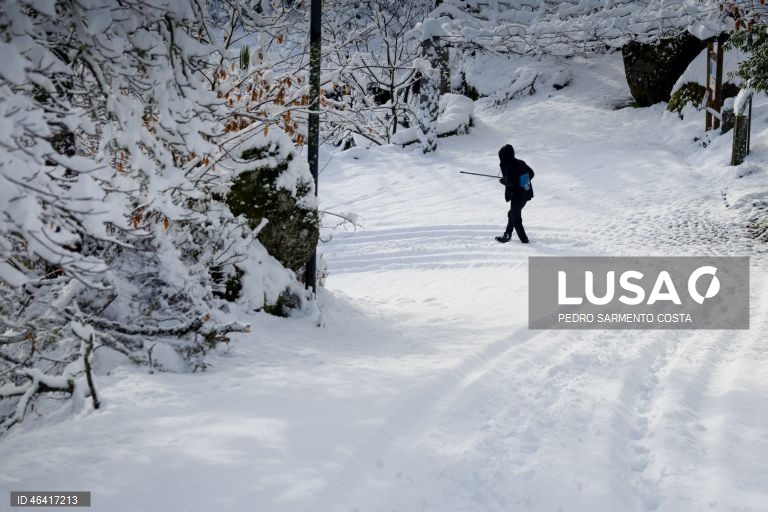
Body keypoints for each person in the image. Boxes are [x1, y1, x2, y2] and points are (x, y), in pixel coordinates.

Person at [496, 144, 534, 244]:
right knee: (512, 214)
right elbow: (531, 173)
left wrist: (507, 182)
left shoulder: (511, 166)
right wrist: (519, 181)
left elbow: (513, 183)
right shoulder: (520, 162)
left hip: (518, 196)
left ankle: (524, 241)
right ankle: (507, 235)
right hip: (524, 195)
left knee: (516, 218)